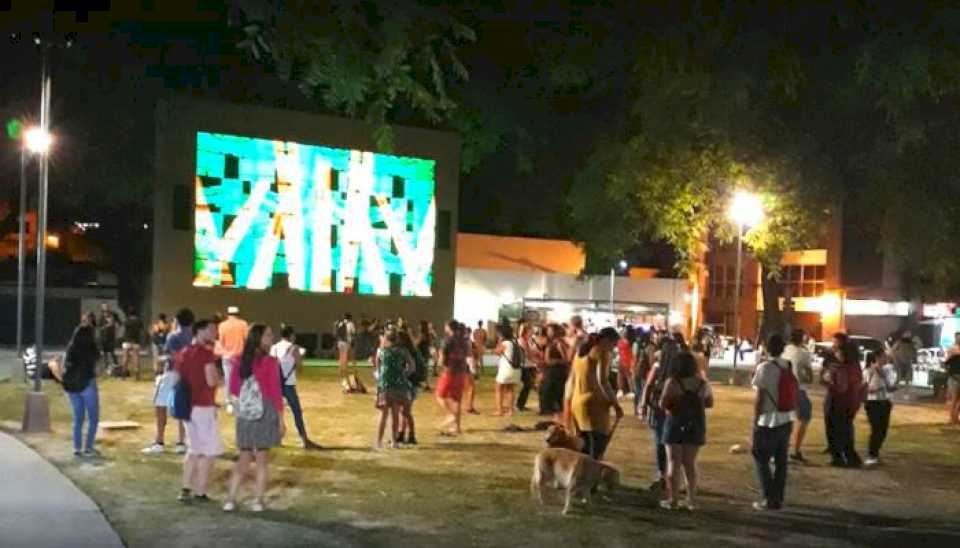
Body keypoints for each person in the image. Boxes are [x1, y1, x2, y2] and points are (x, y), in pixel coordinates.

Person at [224, 324, 285, 512]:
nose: (271, 338)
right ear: (259, 338)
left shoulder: (238, 361)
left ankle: (230, 500)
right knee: (261, 460)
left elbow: (233, 389)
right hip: (265, 410)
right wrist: (281, 420)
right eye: (267, 335)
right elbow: (275, 393)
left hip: (245, 413)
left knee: (243, 459)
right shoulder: (271, 362)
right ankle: (257, 501)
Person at [176, 320, 223, 504]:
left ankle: (185, 488)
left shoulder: (184, 352)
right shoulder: (205, 354)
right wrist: (220, 380)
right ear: (200, 331)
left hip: (188, 406)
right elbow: (211, 380)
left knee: (194, 448)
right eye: (211, 330)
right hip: (203, 406)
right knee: (209, 451)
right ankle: (201, 491)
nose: (214, 333)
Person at [659, 351, 713, 511]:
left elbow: (663, 403)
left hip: (675, 423)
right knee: (689, 463)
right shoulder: (702, 383)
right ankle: (691, 500)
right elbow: (709, 403)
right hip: (695, 425)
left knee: (673, 462)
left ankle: (673, 499)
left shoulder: (673, 382)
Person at [751, 334, 796, 511]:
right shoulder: (787, 366)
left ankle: (768, 497)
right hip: (786, 418)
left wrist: (754, 421)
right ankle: (778, 498)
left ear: (766, 348)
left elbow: (760, 398)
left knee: (761, 458)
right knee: (781, 460)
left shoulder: (765, 367)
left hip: (768, 420)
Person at [142, 308, 194, 455]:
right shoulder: (194, 336)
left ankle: (159, 441)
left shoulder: (173, 336)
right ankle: (181, 442)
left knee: (160, 405)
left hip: (172, 373)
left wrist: (161, 359)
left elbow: (171, 356)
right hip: (188, 375)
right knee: (182, 407)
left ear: (177, 320)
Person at [568, 327, 624, 460]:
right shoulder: (601, 352)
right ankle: (591, 476)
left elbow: (573, 378)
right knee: (597, 447)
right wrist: (615, 404)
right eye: (613, 344)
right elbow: (603, 381)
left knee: (583, 445)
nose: (613, 348)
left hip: (577, 401)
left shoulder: (580, 352)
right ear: (606, 340)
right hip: (594, 404)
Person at [639, 333, 681, 489]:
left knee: (659, 443)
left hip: (657, 409)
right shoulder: (678, 370)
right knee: (671, 444)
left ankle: (662, 474)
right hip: (673, 410)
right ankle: (671, 476)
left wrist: (643, 405)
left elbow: (648, 386)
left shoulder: (658, 366)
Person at [270, 325, 320, 450]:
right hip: (289, 384)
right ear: (291, 335)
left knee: (277, 413)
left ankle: (276, 439)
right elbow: (300, 368)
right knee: (296, 412)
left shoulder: (274, 348)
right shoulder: (294, 348)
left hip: (276, 384)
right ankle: (304, 439)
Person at [62, 324, 101, 458]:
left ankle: (77, 448)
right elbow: (97, 366)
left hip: (72, 386)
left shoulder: (71, 347)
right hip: (87, 383)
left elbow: (65, 365)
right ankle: (88, 447)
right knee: (93, 417)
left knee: (78, 417)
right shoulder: (92, 347)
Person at [824, 339, 864, 468]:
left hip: (838, 402)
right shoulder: (856, 366)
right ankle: (850, 457)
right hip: (851, 403)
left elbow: (841, 388)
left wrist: (829, 382)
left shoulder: (842, 368)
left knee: (834, 430)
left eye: (838, 350)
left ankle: (839, 457)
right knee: (846, 430)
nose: (836, 353)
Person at [373, 330, 414, 449]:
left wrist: (380, 378)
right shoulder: (403, 352)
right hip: (399, 385)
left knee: (383, 415)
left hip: (385, 385)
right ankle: (394, 441)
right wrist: (403, 375)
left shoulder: (380, 351)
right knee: (395, 414)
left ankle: (379, 441)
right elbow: (412, 366)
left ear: (386, 339)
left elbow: (378, 369)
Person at [783, 329, 813, 462]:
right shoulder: (803, 353)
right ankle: (796, 450)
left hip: (784, 388)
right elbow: (809, 374)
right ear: (802, 338)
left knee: (786, 419)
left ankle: (781, 450)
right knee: (804, 418)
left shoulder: (785, 350)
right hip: (798, 388)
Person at [862, 351, 896, 466]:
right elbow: (865, 387)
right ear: (877, 358)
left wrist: (887, 382)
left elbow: (890, 387)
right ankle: (872, 455)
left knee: (883, 431)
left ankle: (875, 454)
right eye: (884, 357)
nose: (886, 359)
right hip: (873, 402)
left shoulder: (887, 371)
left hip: (885, 402)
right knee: (876, 429)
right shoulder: (869, 371)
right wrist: (878, 389)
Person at [436, 321, 468, 436]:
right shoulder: (463, 340)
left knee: (440, 395)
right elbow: (467, 354)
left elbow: (443, 356)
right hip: (462, 372)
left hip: (449, 371)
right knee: (456, 399)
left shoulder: (447, 340)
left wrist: (440, 362)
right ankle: (457, 427)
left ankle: (451, 415)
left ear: (448, 328)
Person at [217, 306, 249, 414]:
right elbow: (247, 340)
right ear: (238, 314)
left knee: (228, 379)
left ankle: (228, 402)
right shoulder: (243, 324)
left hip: (227, 356)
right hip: (240, 356)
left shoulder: (222, 325)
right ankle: (239, 401)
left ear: (228, 314)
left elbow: (221, 342)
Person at [396, 330, 423, 445]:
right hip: (412, 384)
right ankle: (402, 434)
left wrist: (401, 376)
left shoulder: (406, 352)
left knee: (405, 411)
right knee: (405, 411)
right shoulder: (413, 350)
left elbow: (410, 368)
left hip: (409, 384)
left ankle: (411, 435)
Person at [494, 324, 523, 416]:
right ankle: (511, 410)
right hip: (516, 369)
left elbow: (497, 352)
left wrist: (499, 341)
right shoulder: (514, 342)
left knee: (498, 388)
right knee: (510, 389)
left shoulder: (504, 343)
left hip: (506, 369)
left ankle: (499, 410)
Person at [515, 323, 539, 412]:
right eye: (531, 329)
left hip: (531, 365)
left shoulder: (530, 340)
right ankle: (519, 404)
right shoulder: (521, 340)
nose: (533, 331)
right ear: (526, 330)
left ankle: (521, 404)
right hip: (524, 366)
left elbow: (533, 352)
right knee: (528, 384)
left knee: (529, 385)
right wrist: (536, 360)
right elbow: (527, 354)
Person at [120, 307, 145, 380]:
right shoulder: (139, 321)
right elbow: (142, 331)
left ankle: (123, 374)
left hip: (127, 340)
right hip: (136, 341)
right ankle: (137, 374)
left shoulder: (127, 321)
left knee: (125, 358)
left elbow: (125, 329)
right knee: (136, 357)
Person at [97, 304, 119, 374]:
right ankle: (106, 367)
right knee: (105, 353)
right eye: (104, 307)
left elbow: (119, 323)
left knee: (112, 352)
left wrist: (116, 325)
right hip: (103, 337)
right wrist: (107, 325)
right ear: (102, 309)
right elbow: (99, 328)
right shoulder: (101, 318)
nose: (106, 308)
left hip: (111, 337)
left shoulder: (114, 315)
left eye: (107, 306)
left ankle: (116, 365)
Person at [335, 313, 357, 382]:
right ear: (350, 318)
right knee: (346, 357)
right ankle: (346, 371)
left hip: (339, 342)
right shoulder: (351, 324)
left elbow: (336, 332)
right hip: (346, 342)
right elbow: (353, 332)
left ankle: (340, 371)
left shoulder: (340, 323)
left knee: (341, 356)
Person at [416, 320, 434, 391]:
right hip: (425, 353)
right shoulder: (428, 334)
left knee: (421, 369)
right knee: (423, 369)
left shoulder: (422, 334)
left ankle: (425, 385)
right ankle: (425, 385)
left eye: (420, 325)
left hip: (422, 354)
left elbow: (417, 343)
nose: (418, 326)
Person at [947, 333, 960, 425]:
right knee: (954, 399)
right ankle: (953, 418)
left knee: (957, 399)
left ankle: (955, 416)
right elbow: (947, 364)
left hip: (955, 377)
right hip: (955, 377)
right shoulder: (953, 350)